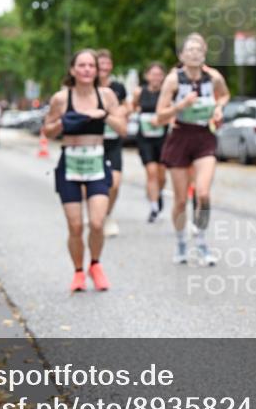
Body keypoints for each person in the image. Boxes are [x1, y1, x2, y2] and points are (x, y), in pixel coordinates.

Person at [42, 49, 127, 292]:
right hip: (70, 163)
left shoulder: (107, 95)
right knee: (76, 226)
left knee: (97, 223)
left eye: (91, 65)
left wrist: (104, 115)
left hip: (96, 162)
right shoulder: (61, 98)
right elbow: (47, 132)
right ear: (73, 70)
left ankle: (96, 264)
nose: (87, 69)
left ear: (96, 70)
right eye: (82, 65)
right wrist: (65, 121)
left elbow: (122, 129)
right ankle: (78, 271)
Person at [155, 33, 231, 266]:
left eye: (199, 49)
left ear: (204, 54)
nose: (195, 53)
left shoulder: (213, 77)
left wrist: (218, 108)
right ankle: (180, 241)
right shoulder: (173, 80)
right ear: (182, 55)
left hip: (203, 137)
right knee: (180, 200)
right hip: (179, 137)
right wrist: (181, 105)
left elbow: (225, 95)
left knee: (203, 194)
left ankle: (200, 239)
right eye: (190, 50)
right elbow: (159, 116)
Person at [132, 62, 169, 222]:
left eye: (159, 74)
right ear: (147, 76)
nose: (156, 78)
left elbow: (173, 111)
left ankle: (158, 193)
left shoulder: (167, 93)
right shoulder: (139, 92)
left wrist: (162, 119)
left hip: (163, 138)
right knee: (151, 172)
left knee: (162, 175)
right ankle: (154, 207)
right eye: (153, 74)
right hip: (145, 138)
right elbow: (133, 107)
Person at [96, 49, 128, 237]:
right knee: (94, 184)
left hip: (113, 141)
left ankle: (107, 214)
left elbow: (127, 105)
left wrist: (122, 111)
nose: (105, 67)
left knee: (114, 184)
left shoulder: (118, 87)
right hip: (93, 143)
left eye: (108, 64)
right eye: (101, 63)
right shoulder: (86, 87)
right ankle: (96, 213)